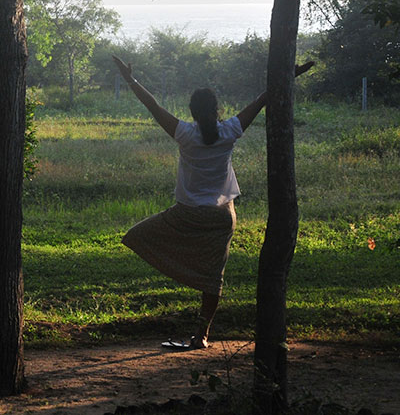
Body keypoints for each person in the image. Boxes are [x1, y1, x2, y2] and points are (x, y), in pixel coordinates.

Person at [110, 55, 314, 350]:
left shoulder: (184, 133)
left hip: (188, 215)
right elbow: (262, 100)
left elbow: (152, 105)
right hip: (221, 217)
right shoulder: (229, 131)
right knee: (212, 279)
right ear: (216, 110)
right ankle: (201, 335)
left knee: (136, 236)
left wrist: (130, 79)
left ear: (192, 112)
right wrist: (287, 76)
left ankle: (194, 300)